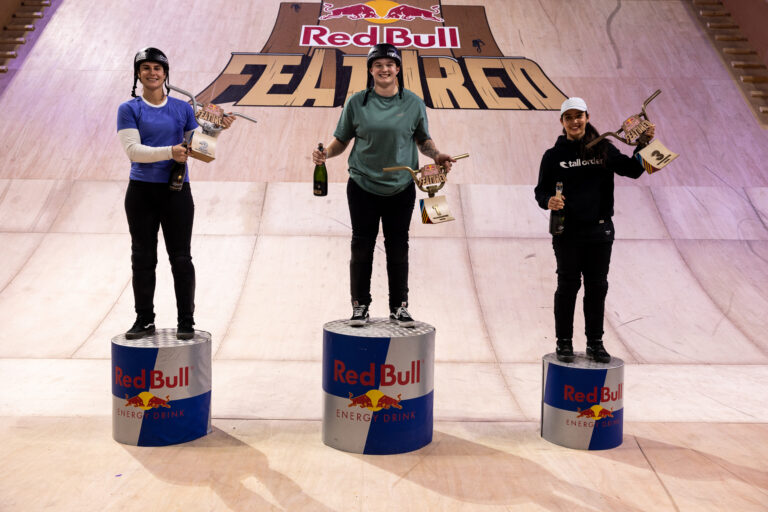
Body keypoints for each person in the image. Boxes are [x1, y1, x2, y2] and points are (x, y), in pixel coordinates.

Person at [312, 43, 455, 327]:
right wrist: (326, 153)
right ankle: (360, 306)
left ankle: (399, 306)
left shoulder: (414, 103)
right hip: (362, 185)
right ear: (370, 70)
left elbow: (423, 139)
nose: (384, 69)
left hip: (401, 187)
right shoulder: (356, 102)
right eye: (378, 65)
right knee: (361, 246)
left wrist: (436, 155)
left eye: (389, 64)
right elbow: (342, 139)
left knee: (398, 247)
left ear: (398, 69)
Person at [117, 47, 233, 340]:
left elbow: (202, 151)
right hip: (141, 192)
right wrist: (170, 151)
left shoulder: (182, 109)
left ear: (165, 73)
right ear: (138, 74)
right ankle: (144, 320)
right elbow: (133, 151)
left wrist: (215, 129)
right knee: (143, 258)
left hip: (176, 191)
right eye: (146, 68)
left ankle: (186, 321)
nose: (152, 73)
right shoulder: (129, 109)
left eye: (157, 68)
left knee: (181, 258)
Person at [534, 97, 655, 363]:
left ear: (587, 117)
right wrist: (548, 201)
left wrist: (645, 143)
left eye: (579, 116)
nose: (574, 122)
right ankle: (564, 342)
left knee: (597, 287)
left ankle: (595, 343)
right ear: (562, 122)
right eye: (569, 117)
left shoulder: (603, 149)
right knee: (567, 286)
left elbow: (634, 171)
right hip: (566, 232)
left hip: (600, 232)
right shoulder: (553, 156)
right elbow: (540, 191)